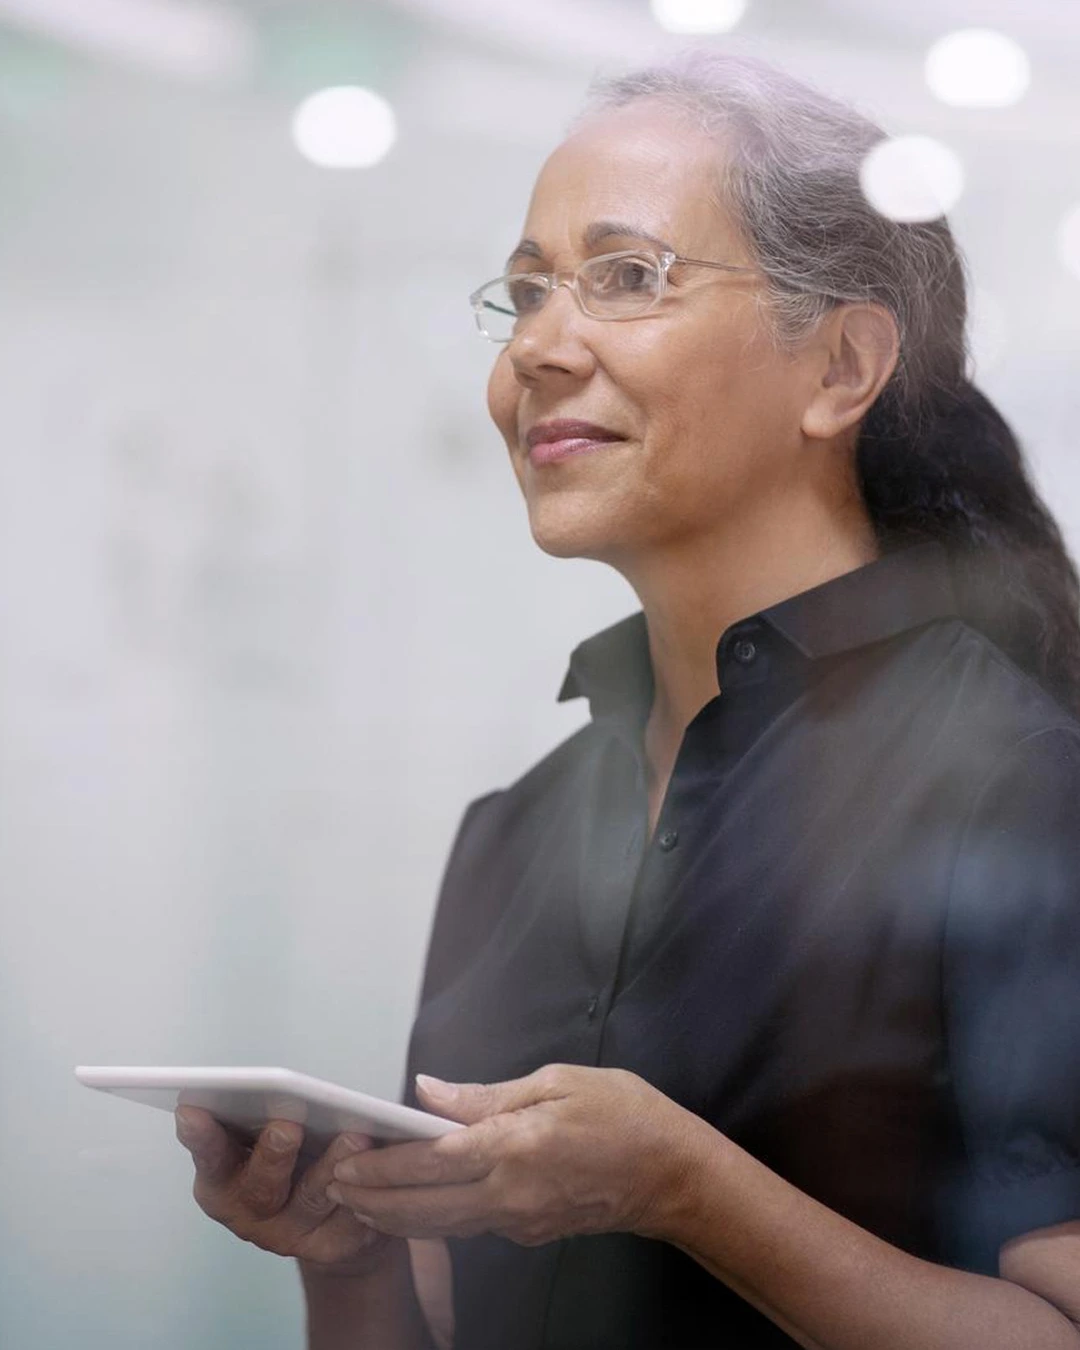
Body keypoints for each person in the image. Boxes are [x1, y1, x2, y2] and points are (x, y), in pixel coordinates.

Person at [174, 50, 1080, 1350]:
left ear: (840, 366)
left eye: (628, 277)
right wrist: (350, 1257)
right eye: (525, 291)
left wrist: (685, 1189)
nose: (538, 348)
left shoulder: (1023, 778)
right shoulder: (513, 832)